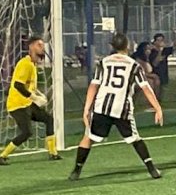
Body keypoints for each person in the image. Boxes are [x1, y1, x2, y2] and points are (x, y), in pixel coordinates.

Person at [68, 33, 163, 181]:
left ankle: (76, 171)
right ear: (127, 46)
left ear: (112, 46)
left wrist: (87, 108)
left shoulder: (103, 62)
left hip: (102, 106)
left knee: (88, 138)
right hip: (121, 108)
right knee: (135, 138)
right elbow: (146, 88)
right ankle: (152, 169)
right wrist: (157, 108)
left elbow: (94, 85)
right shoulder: (133, 65)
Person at [0, 36, 61, 165]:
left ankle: (53, 153)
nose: (42, 48)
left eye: (42, 45)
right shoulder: (24, 63)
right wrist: (35, 98)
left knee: (49, 119)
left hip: (26, 103)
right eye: (39, 45)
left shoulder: (32, 64)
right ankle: (2, 156)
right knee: (27, 133)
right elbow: (18, 85)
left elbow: (29, 86)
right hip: (17, 105)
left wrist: (39, 94)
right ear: (31, 47)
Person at [149, 32, 176, 96]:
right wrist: (160, 51)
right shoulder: (151, 51)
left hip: (163, 72)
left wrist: (174, 34)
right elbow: (155, 63)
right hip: (155, 73)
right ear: (155, 41)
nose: (160, 42)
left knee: (161, 90)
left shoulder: (165, 50)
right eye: (158, 40)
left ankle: (159, 102)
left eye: (162, 40)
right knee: (155, 89)